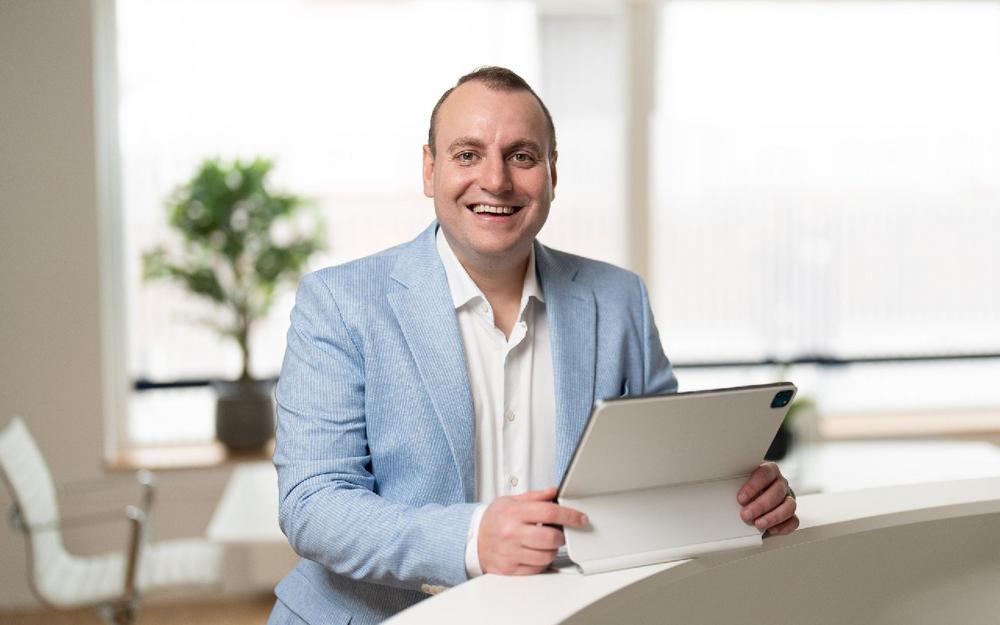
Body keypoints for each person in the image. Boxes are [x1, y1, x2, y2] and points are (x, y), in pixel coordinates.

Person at [268, 67, 798, 625]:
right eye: (468, 154)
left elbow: (662, 473)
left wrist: (738, 494)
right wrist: (473, 539)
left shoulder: (619, 300)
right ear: (430, 169)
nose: (495, 180)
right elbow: (313, 503)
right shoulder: (340, 302)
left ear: (551, 173)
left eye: (521, 156)